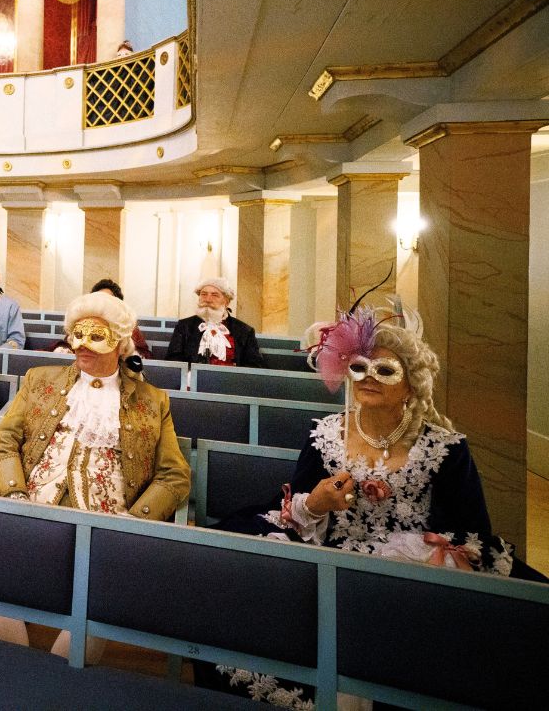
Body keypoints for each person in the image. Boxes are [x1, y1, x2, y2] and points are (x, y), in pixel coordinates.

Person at [205, 303, 519, 707]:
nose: (368, 377)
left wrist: (415, 551)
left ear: (411, 385)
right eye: (358, 367)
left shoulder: (445, 449)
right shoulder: (326, 434)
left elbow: (469, 531)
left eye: (385, 370)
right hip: (328, 558)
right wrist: (315, 504)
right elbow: (296, 504)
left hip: (406, 580)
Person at [0, 290, 190, 658]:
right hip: (31, 499)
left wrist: (134, 522)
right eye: (76, 334)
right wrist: (14, 493)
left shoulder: (152, 401)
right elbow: (5, 440)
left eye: (96, 336)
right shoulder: (40, 379)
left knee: (104, 586)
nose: (81, 345)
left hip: (108, 518)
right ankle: (10, 667)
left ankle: (64, 676)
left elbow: (174, 476)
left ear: (120, 344)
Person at [164, 277, 265, 368]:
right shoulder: (184, 326)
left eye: (215, 295)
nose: (208, 299)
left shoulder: (244, 331)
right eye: (204, 294)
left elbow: (254, 366)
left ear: (226, 302)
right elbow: (173, 360)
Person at [89, 278, 152, 359]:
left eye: (107, 300)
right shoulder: (82, 322)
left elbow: (145, 354)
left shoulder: (128, 325)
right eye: (98, 299)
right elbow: (72, 347)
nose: (102, 303)